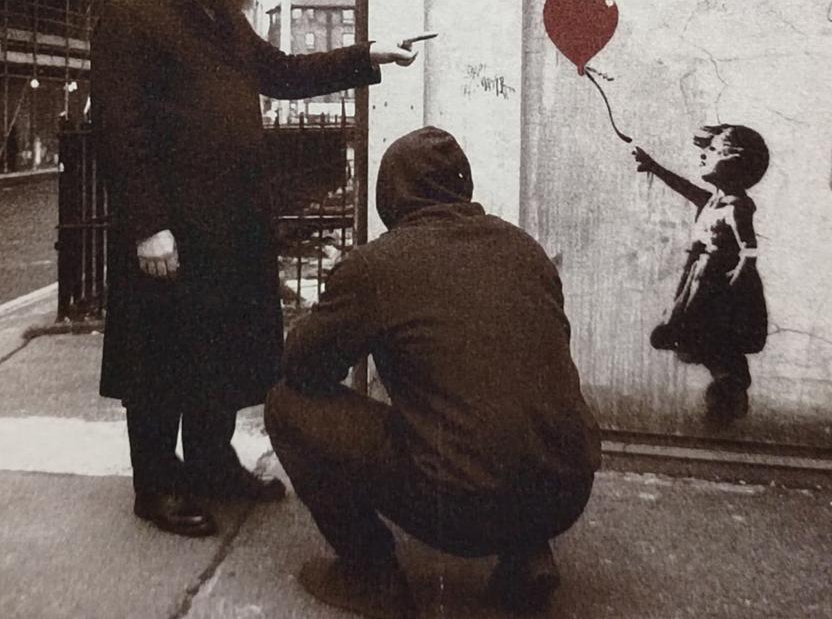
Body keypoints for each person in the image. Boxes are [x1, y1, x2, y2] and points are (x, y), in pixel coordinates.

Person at [90, 0, 418, 539]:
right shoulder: (131, 15)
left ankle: (212, 464)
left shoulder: (219, 12)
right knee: (161, 362)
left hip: (228, 226)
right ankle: (157, 487)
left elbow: (284, 73)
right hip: (171, 232)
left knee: (216, 353)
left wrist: (369, 56)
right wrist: (149, 228)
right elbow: (120, 134)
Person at [265, 127, 601, 617]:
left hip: (462, 507)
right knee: (505, 405)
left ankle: (371, 574)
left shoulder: (378, 265)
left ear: (389, 194)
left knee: (286, 404)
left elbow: (301, 366)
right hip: (566, 492)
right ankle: (526, 556)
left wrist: (340, 305)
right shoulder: (523, 247)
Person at [632, 124, 769, 424]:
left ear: (735, 162)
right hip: (699, 282)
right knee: (702, 340)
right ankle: (728, 388)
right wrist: (653, 166)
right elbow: (683, 186)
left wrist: (736, 283)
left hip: (720, 287)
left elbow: (749, 250)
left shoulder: (736, 206)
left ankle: (728, 391)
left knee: (708, 337)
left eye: (714, 150)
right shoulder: (711, 201)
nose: (704, 154)